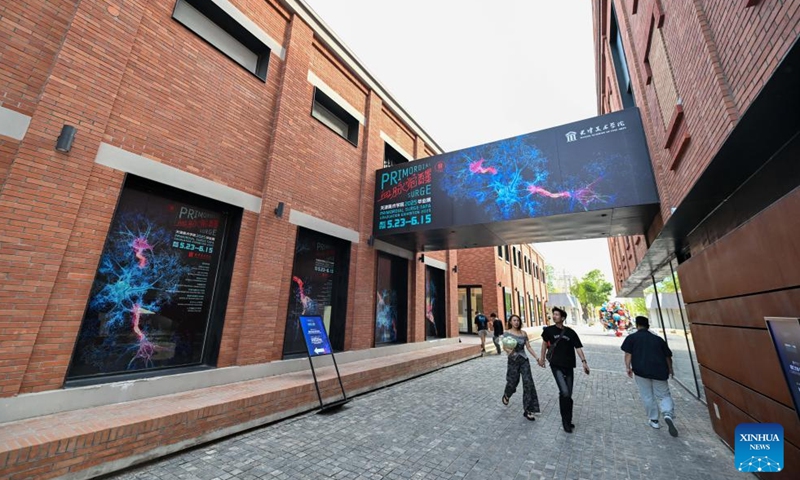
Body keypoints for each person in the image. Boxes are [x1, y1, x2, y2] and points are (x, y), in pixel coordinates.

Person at [621, 316, 678, 437]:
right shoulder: (658, 339)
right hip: (660, 371)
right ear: (648, 326)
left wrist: (628, 367)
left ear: (637, 325)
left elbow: (628, 354)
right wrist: (670, 368)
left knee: (647, 395)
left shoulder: (632, 338)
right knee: (664, 395)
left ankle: (654, 420)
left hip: (641, 371)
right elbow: (668, 356)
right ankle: (667, 413)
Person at [538, 306, 590, 433]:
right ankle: (565, 421)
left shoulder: (570, 332)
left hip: (569, 366)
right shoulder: (549, 330)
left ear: (562, 318)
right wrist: (542, 358)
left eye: (557, 315)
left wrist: (584, 362)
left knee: (568, 395)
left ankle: (568, 419)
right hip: (556, 365)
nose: (554, 316)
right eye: (553, 314)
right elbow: (545, 343)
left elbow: (578, 347)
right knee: (565, 392)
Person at [501, 314, 540, 421]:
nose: (516, 322)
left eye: (518, 320)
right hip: (513, 361)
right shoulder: (507, 333)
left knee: (528, 383)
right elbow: (505, 347)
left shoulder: (523, 333)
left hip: (524, 361)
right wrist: (512, 353)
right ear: (510, 322)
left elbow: (528, 347)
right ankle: (507, 394)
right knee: (512, 382)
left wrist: (537, 357)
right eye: (514, 320)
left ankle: (528, 410)